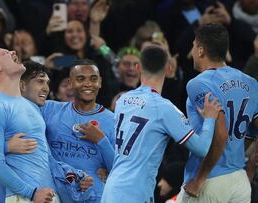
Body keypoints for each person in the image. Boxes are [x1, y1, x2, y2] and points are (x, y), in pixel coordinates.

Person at [101, 46, 222, 203]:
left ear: (138, 67)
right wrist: (210, 119)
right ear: (168, 69)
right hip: (135, 192)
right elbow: (202, 148)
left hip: (112, 188)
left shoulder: (122, 100)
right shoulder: (165, 109)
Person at [0, 58, 94, 203]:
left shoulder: (36, 111)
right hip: (6, 196)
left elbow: (47, 159)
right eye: (40, 81)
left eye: (47, 83)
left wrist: (74, 176)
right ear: (22, 85)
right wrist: (6, 146)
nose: (46, 88)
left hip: (43, 194)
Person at [176, 23, 258, 203]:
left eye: (193, 45)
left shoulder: (199, 84)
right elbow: (253, 131)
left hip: (209, 181)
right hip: (239, 180)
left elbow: (220, 132)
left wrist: (199, 179)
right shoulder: (251, 83)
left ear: (200, 50)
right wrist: (250, 167)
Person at [0, 48, 57, 203]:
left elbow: (45, 156)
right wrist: (6, 146)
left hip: (46, 194)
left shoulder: (32, 107)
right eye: (4, 53)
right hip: (16, 195)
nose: (14, 51)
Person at [40, 59, 116, 202]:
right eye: (81, 79)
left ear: (100, 82)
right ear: (70, 83)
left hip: (95, 197)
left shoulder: (113, 121)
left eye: (93, 79)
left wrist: (101, 140)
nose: (88, 84)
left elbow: (119, 171)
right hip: (55, 197)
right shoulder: (49, 110)